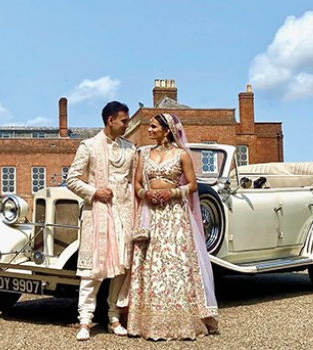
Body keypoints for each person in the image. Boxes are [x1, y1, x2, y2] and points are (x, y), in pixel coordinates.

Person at [126, 113, 219, 340]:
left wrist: (172, 193)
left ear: (166, 130)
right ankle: (146, 323)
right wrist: (145, 193)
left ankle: (184, 322)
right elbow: (137, 182)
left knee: (176, 264)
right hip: (151, 214)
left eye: (153, 126)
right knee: (151, 264)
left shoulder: (181, 155)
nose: (148, 130)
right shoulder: (144, 154)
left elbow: (193, 185)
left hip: (175, 215)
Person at [66, 101, 136, 341]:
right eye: (124, 120)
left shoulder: (130, 149)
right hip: (97, 213)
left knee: (121, 267)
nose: (127, 124)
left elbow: (135, 182)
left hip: (124, 213)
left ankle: (113, 315)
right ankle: (85, 320)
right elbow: (72, 179)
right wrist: (95, 192)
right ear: (110, 120)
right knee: (92, 269)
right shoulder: (89, 146)